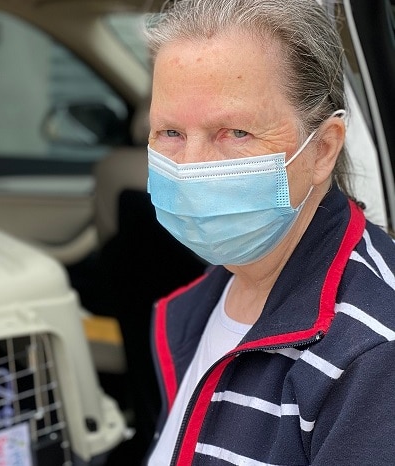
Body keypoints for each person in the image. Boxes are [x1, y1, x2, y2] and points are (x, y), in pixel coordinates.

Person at [144, 0, 395, 464]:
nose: (190, 168)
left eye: (235, 132)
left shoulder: (373, 351)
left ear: (321, 150)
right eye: (170, 133)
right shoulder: (203, 301)